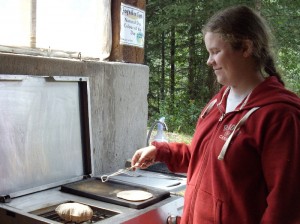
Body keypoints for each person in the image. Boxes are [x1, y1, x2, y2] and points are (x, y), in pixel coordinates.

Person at [131, 5, 300, 224]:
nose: (209, 61)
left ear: (246, 48)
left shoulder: (280, 115)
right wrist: (161, 151)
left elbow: (286, 205)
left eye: (215, 52)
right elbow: (202, 158)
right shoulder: (218, 102)